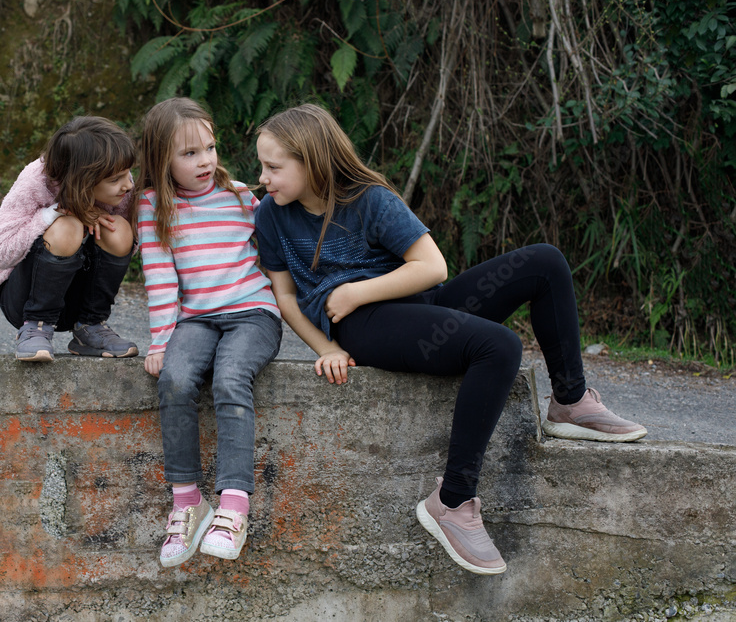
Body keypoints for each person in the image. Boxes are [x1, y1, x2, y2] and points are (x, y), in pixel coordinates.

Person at [252, 103, 646, 576]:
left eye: (273, 167)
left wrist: (356, 290)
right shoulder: (271, 216)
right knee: (499, 347)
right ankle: (453, 502)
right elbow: (286, 297)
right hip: (363, 326)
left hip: (414, 305)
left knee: (545, 262)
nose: (263, 178)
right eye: (262, 166)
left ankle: (571, 399)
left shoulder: (370, 199)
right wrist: (327, 348)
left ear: (312, 161)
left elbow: (433, 268)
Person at [138, 98, 282, 567]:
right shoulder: (152, 205)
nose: (205, 161)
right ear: (162, 161)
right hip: (196, 318)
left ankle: (234, 507)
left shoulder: (242, 196)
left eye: (210, 148)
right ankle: (187, 501)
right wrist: (161, 342)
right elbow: (160, 277)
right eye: (189, 154)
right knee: (176, 379)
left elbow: (281, 249)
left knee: (229, 377)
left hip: (253, 313)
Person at [0, 116, 140, 362]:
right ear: (83, 180)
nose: (128, 186)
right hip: (25, 301)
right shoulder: (36, 180)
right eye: (116, 180)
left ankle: (89, 327)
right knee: (67, 226)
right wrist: (52, 215)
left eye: (127, 175)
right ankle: (35, 328)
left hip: (75, 301)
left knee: (119, 229)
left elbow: (123, 250)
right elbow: (1, 254)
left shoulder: (121, 185)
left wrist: (93, 216)